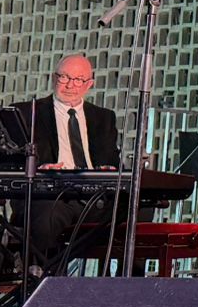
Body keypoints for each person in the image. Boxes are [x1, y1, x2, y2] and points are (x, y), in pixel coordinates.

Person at [18, 53, 121, 263]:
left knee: (139, 208)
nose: (70, 85)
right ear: (54, 78)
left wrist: (108, 170)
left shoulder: (104, 117)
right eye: (64, 77)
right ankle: (48, 276)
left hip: (96, 197)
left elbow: (113, 162)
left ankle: (127, 279)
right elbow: (5, 160)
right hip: (52, 196)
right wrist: (39, 169)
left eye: (78, 80)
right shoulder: (28, 113)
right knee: (48, 215)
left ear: (89, 84)